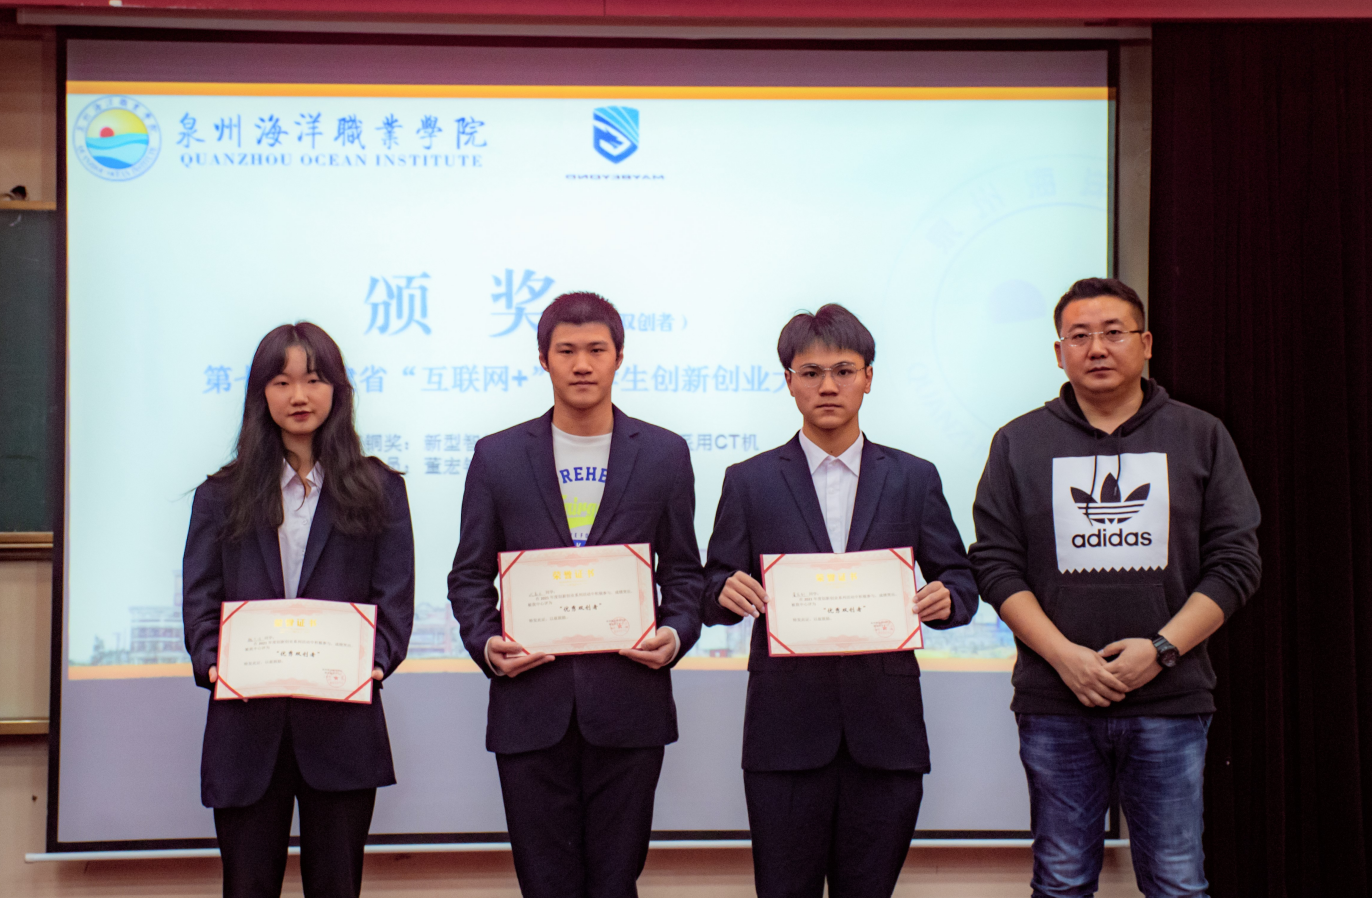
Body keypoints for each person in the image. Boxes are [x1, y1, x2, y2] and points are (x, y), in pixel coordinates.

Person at [969, 277, 1261, 898]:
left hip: (1171, 700)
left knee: (1178, 882)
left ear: (1146, 343)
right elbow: (995, 565)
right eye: (1079, 336)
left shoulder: (1201, 435)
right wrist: (1064, 658)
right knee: (1061, 881)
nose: (1097, 348)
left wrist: (1160, 650)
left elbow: (1236, 562)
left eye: (1113, 333)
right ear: (1059, 353)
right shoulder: (1018, 442)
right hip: (1056, 701)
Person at [701, 303, 979, 898]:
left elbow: (960, 579)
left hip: (886, 733)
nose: (828, 386)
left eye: (844, 370)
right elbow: (712, 586)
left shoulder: (913, 477)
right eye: (811, 372)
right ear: (789, 382)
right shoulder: (749, 481)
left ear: (868, 377)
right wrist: (724, 590)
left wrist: (947, 598)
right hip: (784, 734)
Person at [448, 291, 703, 898]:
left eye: (596, 350)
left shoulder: (664, 454)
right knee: (545, 884)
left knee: (615, 882)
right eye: (566, 351)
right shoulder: (497, 457)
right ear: (544, 359)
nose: (582, 364)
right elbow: (469, 576)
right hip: (530, 705)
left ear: (619, 357)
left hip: (629, 703)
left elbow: (685, 574)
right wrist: (487, 643)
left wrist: (674, 634)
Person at [182, 322, 415, 898]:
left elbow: (394, 598)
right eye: (282, 382)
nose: (299, 396)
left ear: (337, 389)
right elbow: (201, 599)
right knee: (246, 886)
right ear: (261, 393)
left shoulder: (379, 489)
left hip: (341, 724)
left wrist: (375, 661)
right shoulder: (221, 495)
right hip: (245, 727)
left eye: (313, 380)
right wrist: (213, 661)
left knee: (336, 886)